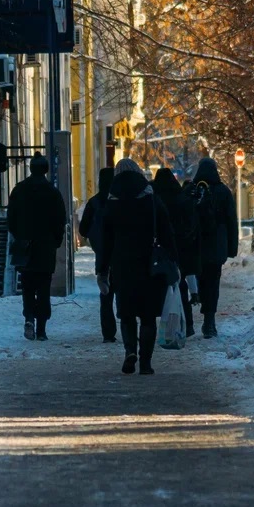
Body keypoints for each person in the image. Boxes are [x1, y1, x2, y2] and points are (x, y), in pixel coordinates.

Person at [98, 159, 178, 375]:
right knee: (148, 314)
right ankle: (146, 362)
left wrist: (102, 269)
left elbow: (105, 239)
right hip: (149, 262)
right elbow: (166, 230)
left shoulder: (112, 199)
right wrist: (172, 258)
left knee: (126, 313)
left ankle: (130, 351)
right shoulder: (151, 197)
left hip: (122, 263)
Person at [6, 153, 67, 341]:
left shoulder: (19, 190)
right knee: (43, 288)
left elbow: (11, 220)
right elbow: (60, 221)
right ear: (46, 170)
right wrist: (55, 241)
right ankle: (41, 328)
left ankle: (29, 317)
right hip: (46, 247)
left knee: (27, 286)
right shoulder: (53, 192)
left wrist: (20, 237)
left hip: (25, 247)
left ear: (31, 169)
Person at [188, 156, 238, 338]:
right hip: (216, 247)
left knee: (195, 280)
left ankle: (190, 322)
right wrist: (232, 248)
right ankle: (209, 323)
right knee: (213, 283)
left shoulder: (191, 190)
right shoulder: (223, 191)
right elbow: (232, 221)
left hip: (195, 246)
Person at [152, 167, 199, 338]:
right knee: (180, 285)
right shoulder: (181, 198)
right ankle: (188, 324)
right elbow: (191, 223)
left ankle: (162, 323)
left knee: (160, 286)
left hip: (159, 249)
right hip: (180, 247)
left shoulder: (154, 199)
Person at [78, 166, 117, 342]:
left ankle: (108, 333)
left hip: (102, 255)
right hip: (122, 254)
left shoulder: (94, 202)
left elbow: (83, 229)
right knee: (124, 292)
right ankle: (127, 326)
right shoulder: (120, 199)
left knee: (106, 295)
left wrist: (95, 239)